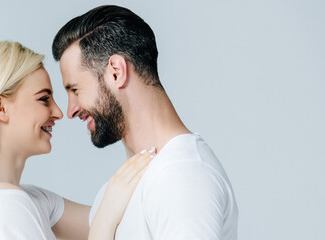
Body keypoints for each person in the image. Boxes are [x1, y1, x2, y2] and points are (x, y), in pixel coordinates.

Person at [0, 40, 157, 240]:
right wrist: (105, 220)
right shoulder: (5, 205)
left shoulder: (18, 199)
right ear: (1, 108)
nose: (58, 112)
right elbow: (104, 222)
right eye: (44, 99)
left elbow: (123, 224)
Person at [52, 5, 239, 239]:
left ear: (116, 73)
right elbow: (47, 211)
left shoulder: (180, 175)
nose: (71, 110)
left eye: (75, 89)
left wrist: (101, 230)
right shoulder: (126, 185)